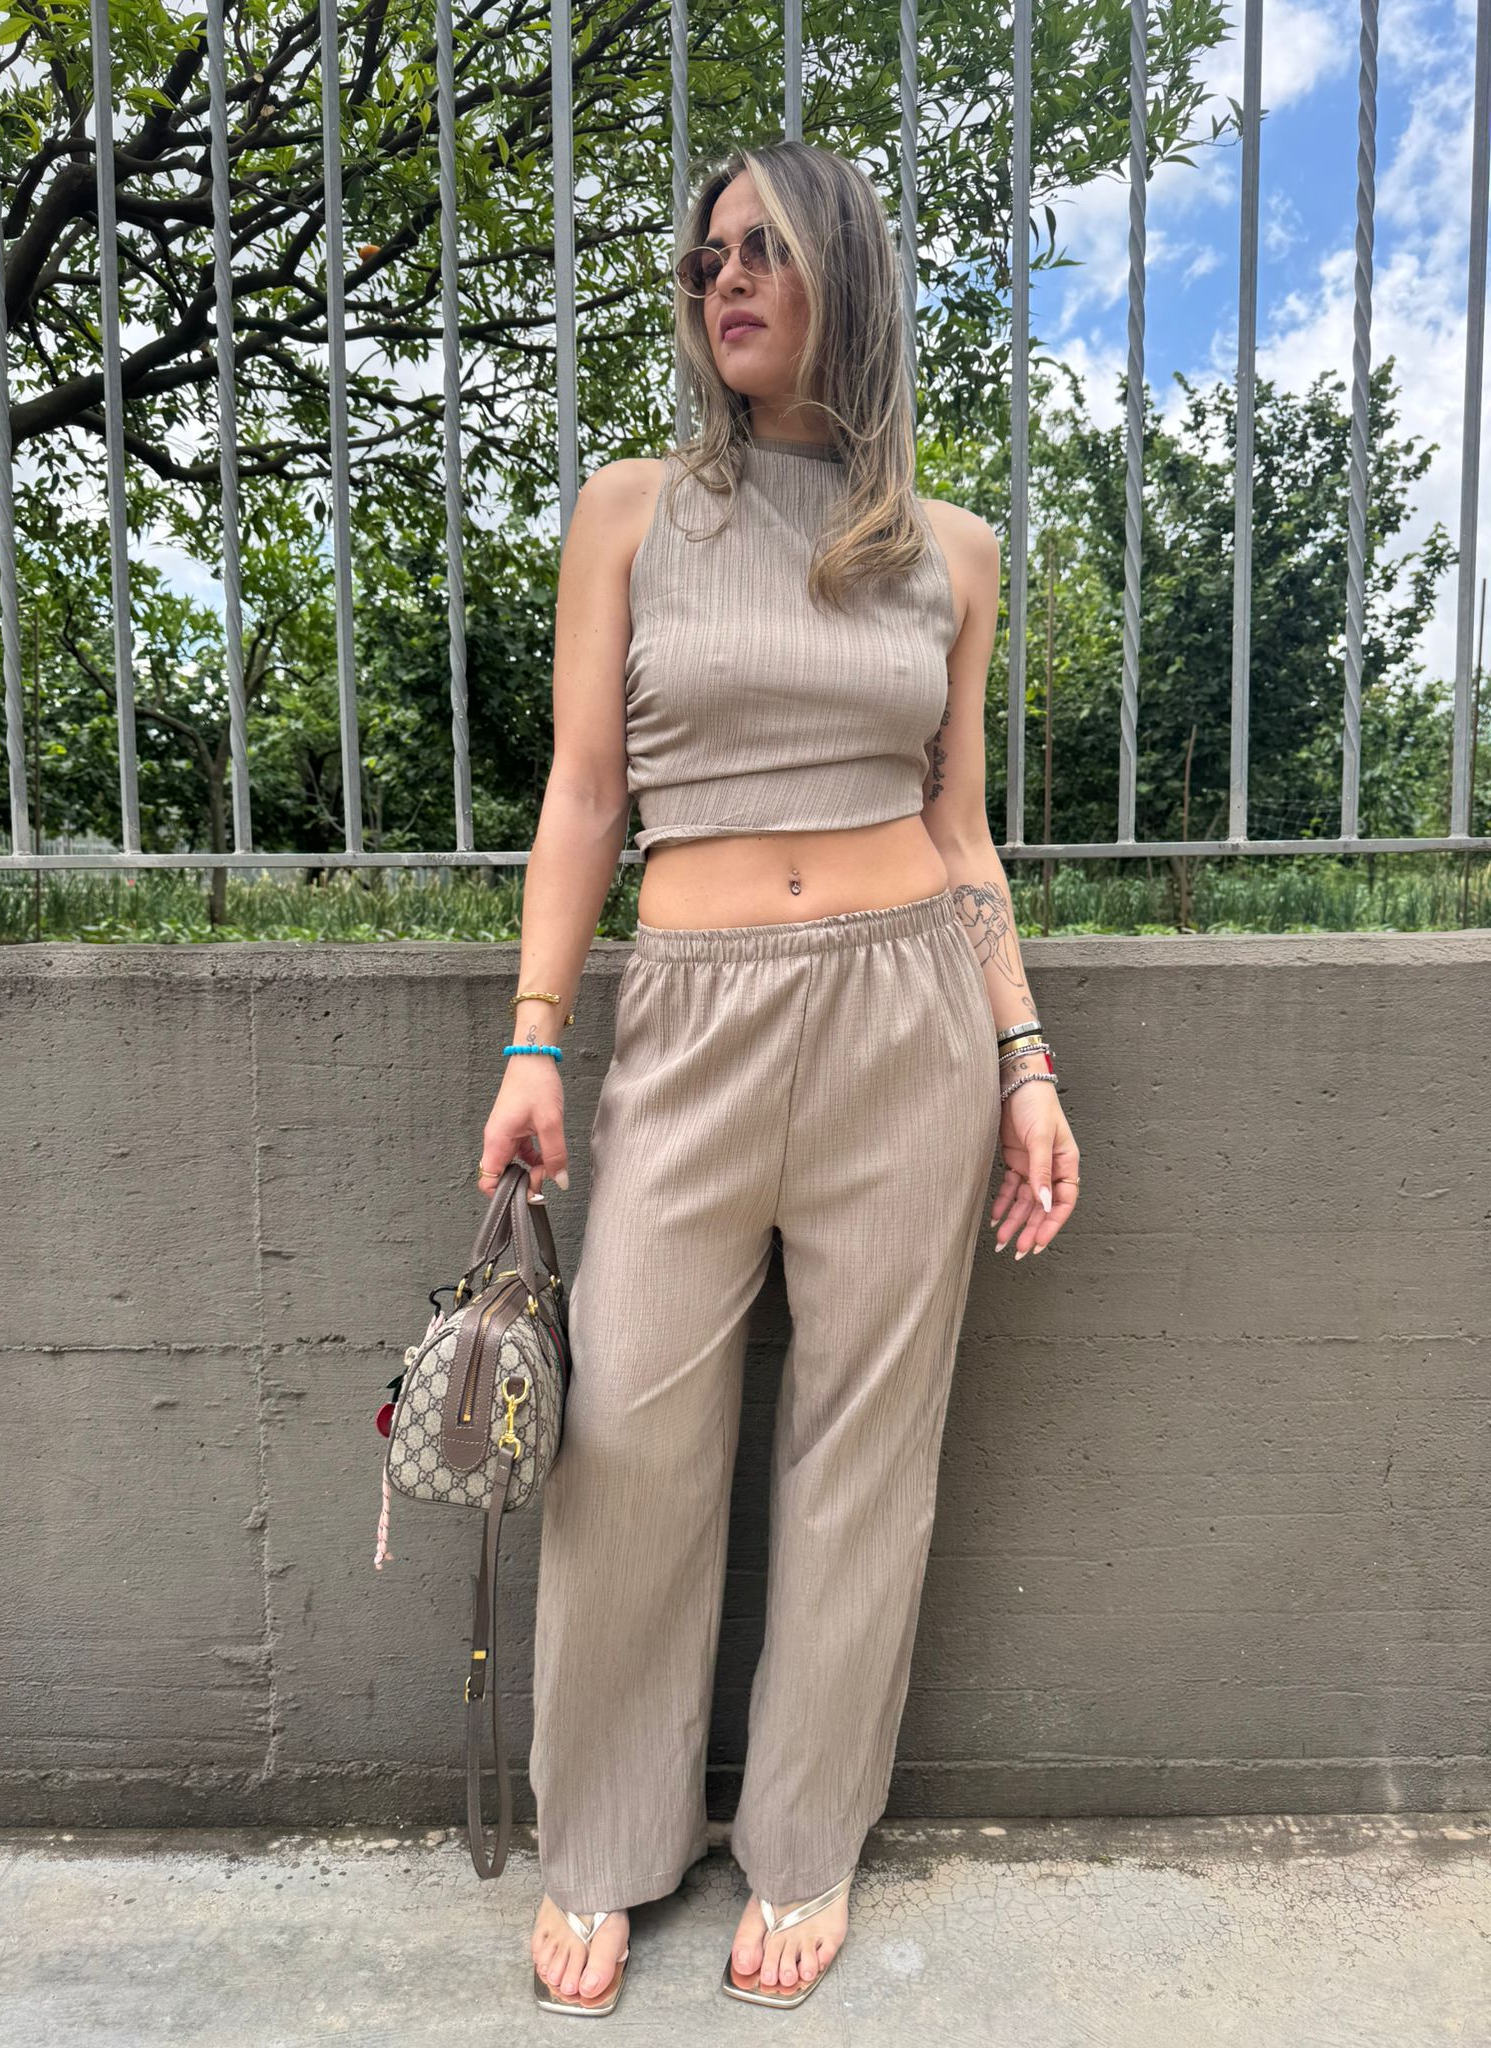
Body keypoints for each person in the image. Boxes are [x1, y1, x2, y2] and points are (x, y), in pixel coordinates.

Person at [475, 137, 1081, 2017]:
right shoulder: (633, 513)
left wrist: (1027, 1059)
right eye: (703, 257)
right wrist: (536, 1032)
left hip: (912, 1020)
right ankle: (605, 1838)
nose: (721, 278)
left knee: (863, 1455)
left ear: (846, 273)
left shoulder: (952, 552)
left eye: (762, 248)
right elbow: (588, 795)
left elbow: (961, 830)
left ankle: (807, 1836)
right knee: (629, 1439)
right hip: (695, 1015)